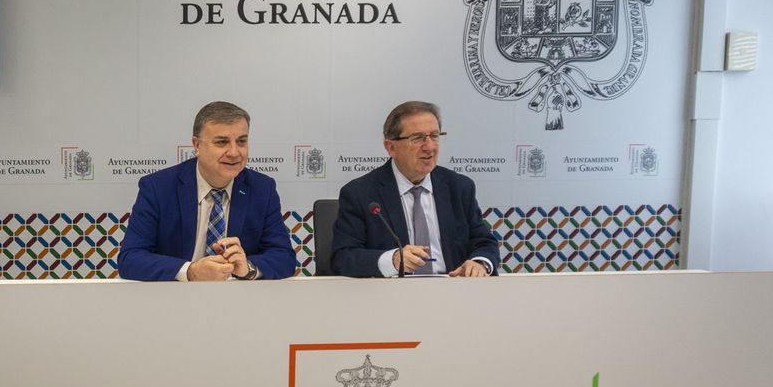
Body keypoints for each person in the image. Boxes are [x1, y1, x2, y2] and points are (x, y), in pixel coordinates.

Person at [117, 100, 296, 281]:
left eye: (241, 141)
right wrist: (191, 271)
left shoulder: (262, 189)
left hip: (240, 301)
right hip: (174, 300)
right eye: (221, 142)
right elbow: (130, 259)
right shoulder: (158, 188)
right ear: (197, 145)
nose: (234, 152)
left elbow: (284, 257)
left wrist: (247, 268)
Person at [329, 100, 499, 277]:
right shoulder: (360, 193)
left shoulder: (459, 187)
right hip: (390, 296)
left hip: (452, 292)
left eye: (434, 136)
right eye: (417, 138)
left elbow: (484, 242)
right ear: (391, 147)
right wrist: (393, 260)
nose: (430, 147)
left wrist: (480, 263)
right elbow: (343, 257)